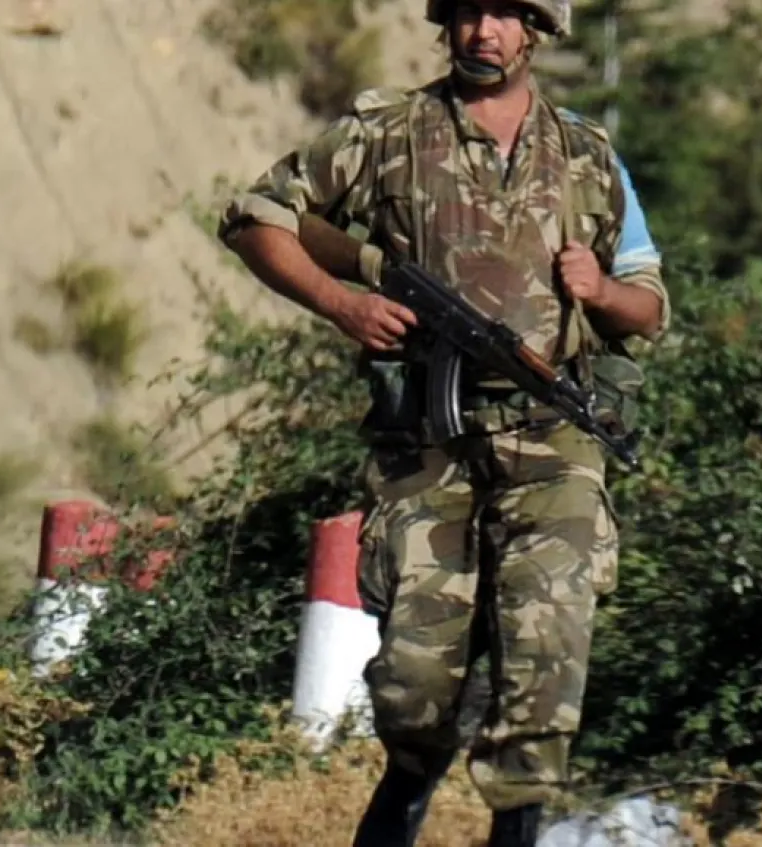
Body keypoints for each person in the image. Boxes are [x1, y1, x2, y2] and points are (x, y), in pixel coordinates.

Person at [217, 0, 670, 844]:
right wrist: (341, 300)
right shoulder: (389, 133)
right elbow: (255, 216)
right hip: (429, 440)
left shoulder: (588, 157)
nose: (482, 31)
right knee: (416, 686)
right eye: (467, 12)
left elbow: (649, 305)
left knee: (545, 654)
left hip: (554, 440)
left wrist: (600, 290)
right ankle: (405, 797)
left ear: (537, 28)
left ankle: (517, 829)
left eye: (503, 14)